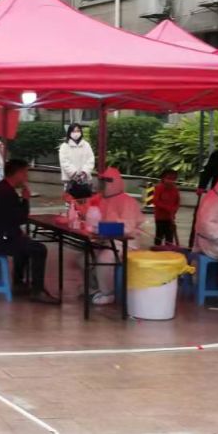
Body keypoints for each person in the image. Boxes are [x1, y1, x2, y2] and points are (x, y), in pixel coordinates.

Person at [0, 159, 58, 304]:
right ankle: (37, 290)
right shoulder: (7, 193)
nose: (26, 177)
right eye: (25, 173)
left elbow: (8, 219)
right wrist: (25, 200)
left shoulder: (1, 188)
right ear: (17, 174)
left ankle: (19, 283)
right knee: (39, 249)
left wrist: (18, 234)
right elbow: (21, 218)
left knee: (24, 243)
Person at [91, 168, 146, 305]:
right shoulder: (103, 200)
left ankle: (108, 293)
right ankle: (96, 288)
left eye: (104, 183)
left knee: (104, 259)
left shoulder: (127, 201)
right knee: (83, 258)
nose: (101, 186)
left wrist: (104, 228)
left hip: (126, 243)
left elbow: (128, 228)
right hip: (107, 240)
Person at [59, 122, 95, 196]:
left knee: (85, 200)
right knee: (71, 201)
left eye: (78, 131)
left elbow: (91, 160)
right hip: (70, 181)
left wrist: (84, 172)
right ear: (69, 133)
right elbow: (64, 162)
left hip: (85, 180)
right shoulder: (64, 146)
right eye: (73, 131)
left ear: (81, 132)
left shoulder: (86, 145)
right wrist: (74, 174)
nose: (76, 133)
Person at [152, 169, 181, 246]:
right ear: (163, 178)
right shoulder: (159, 188)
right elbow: (155, 201)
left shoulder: (175, 189)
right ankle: (157, 248)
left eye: (173, 179)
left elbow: (177, 201)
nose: (171, 181)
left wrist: (174, 209)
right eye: (168, 178)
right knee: (159, 235)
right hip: (160, 217)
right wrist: (167, 208)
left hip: (170, 217)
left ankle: (168, 250)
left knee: (169, 236)